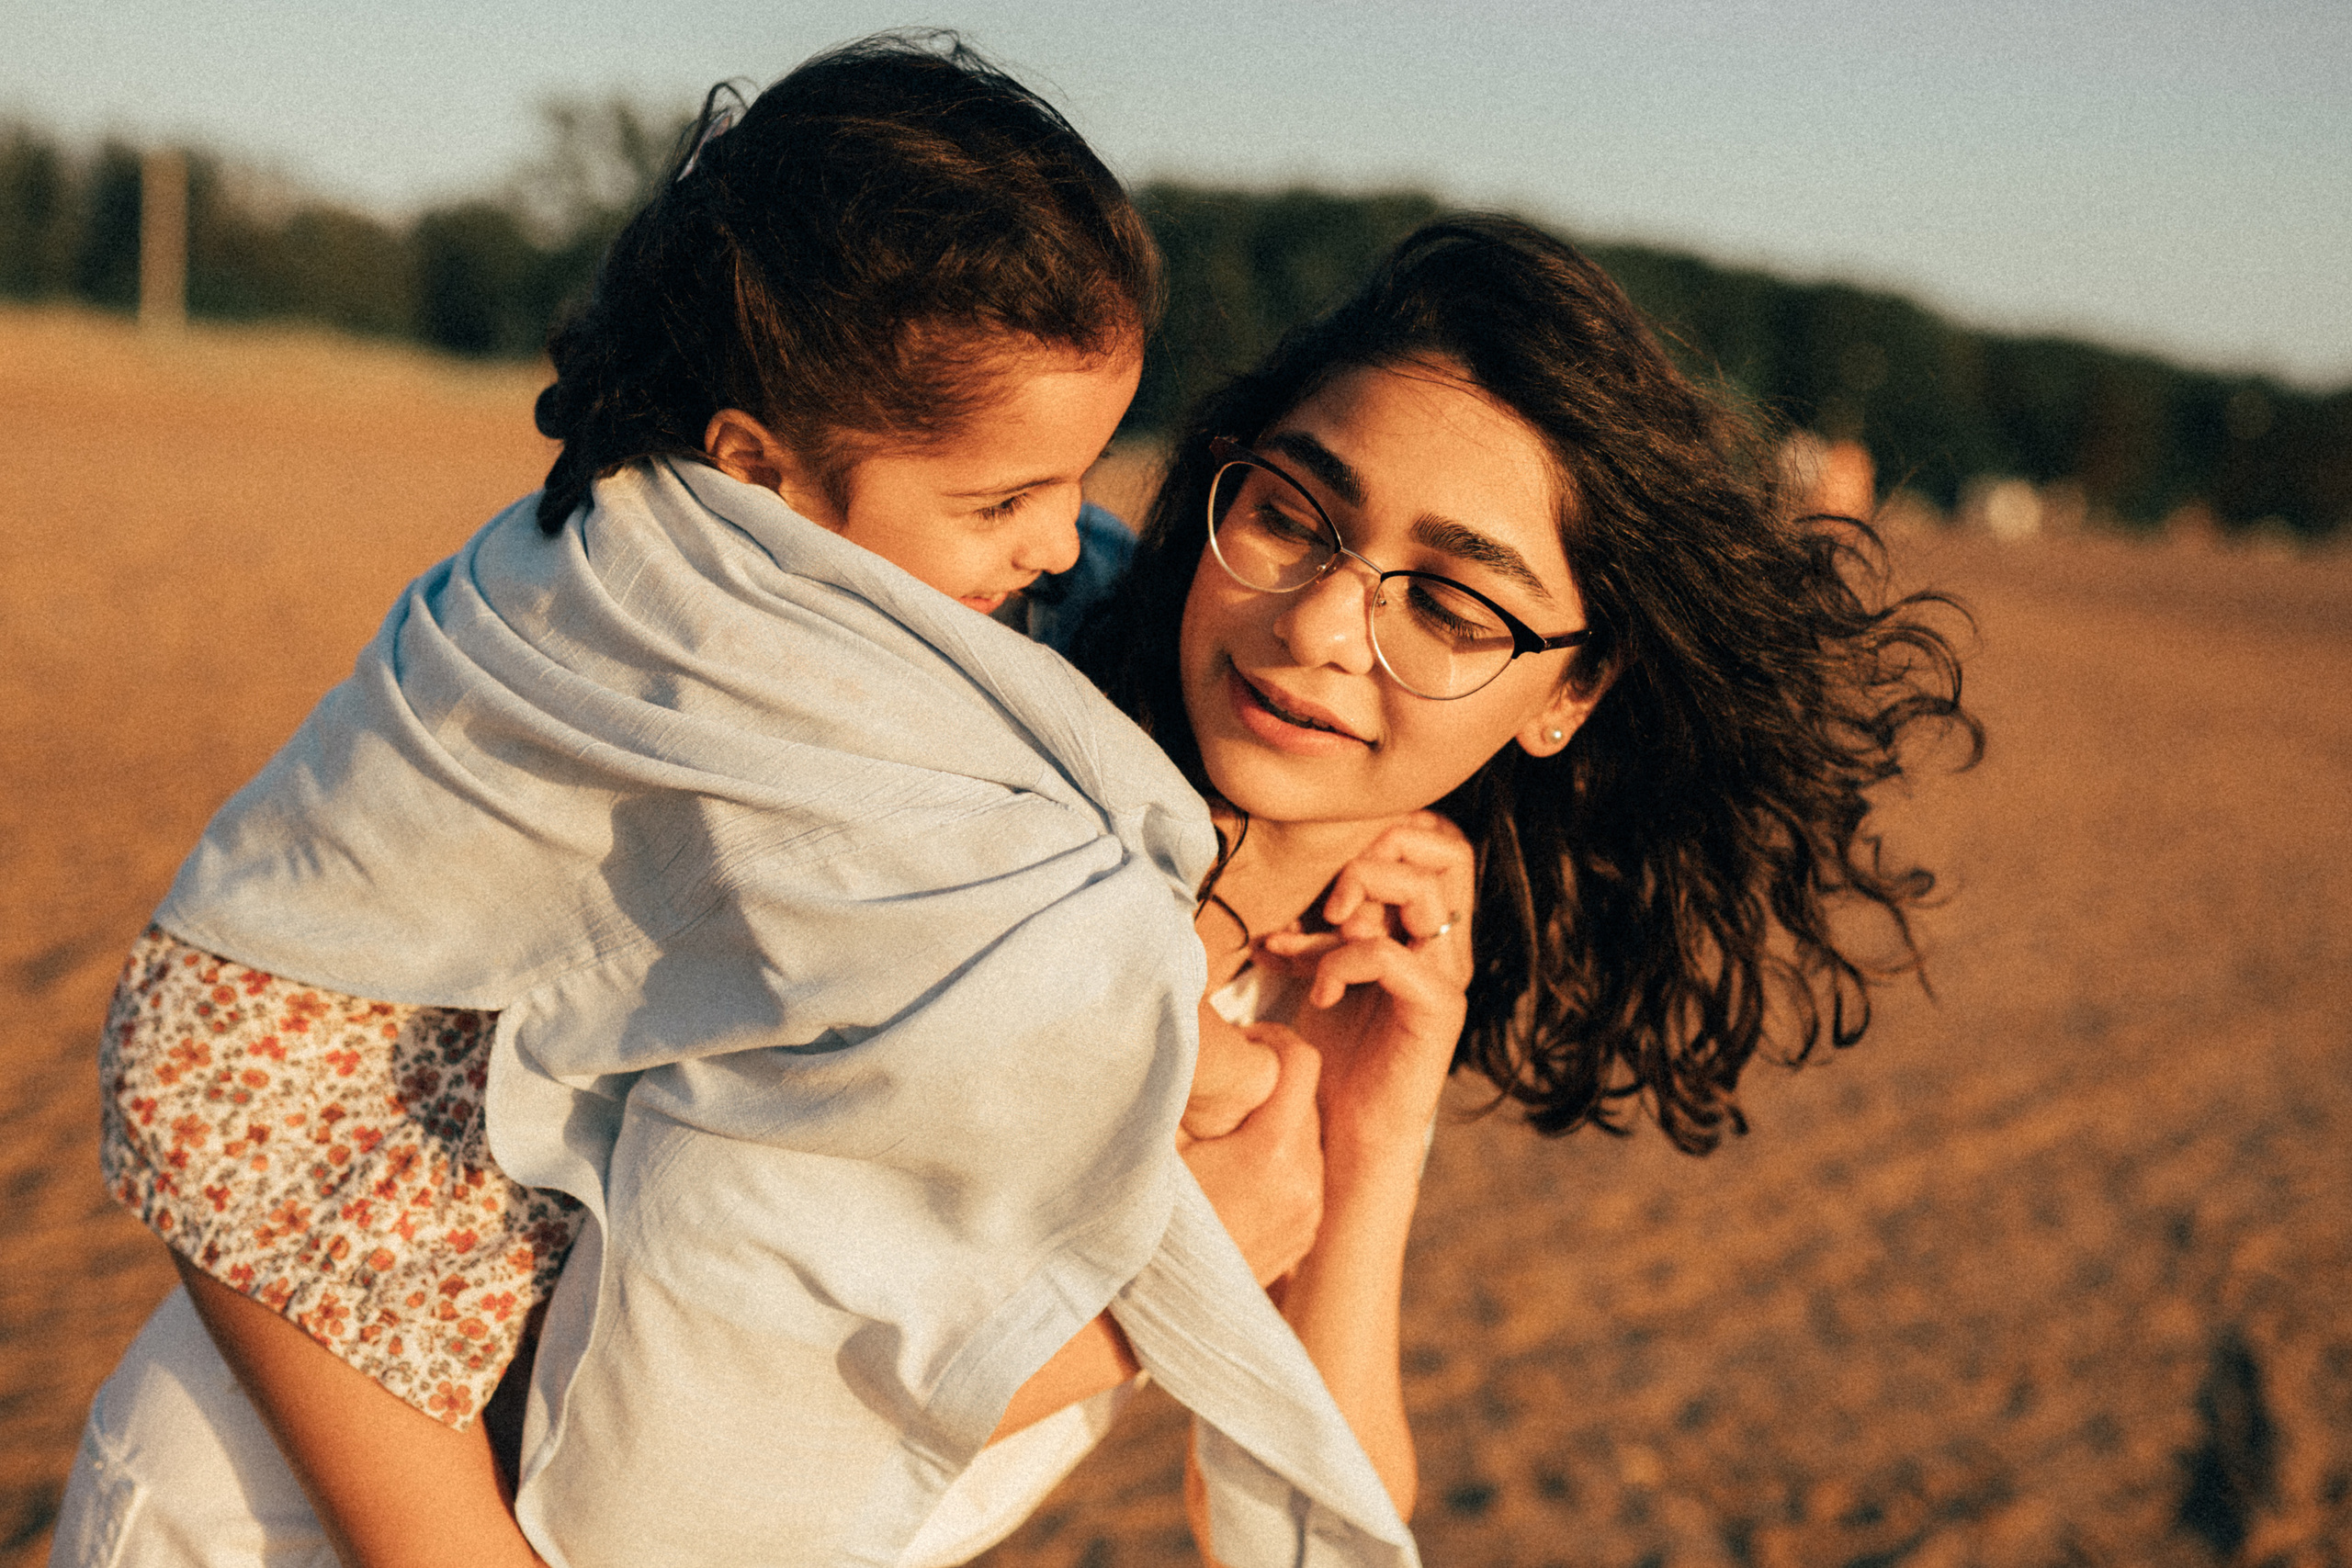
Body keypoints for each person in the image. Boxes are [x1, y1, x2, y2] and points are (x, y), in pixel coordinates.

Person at [57, 33, 1396, 1568]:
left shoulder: (868, 591)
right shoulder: (712, 643)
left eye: (1078, 481)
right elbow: (1049, 1004)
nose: (1058, 542)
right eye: (1004, 502)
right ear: (753, 474)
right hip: (314, 1389)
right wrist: (1229, 1083)